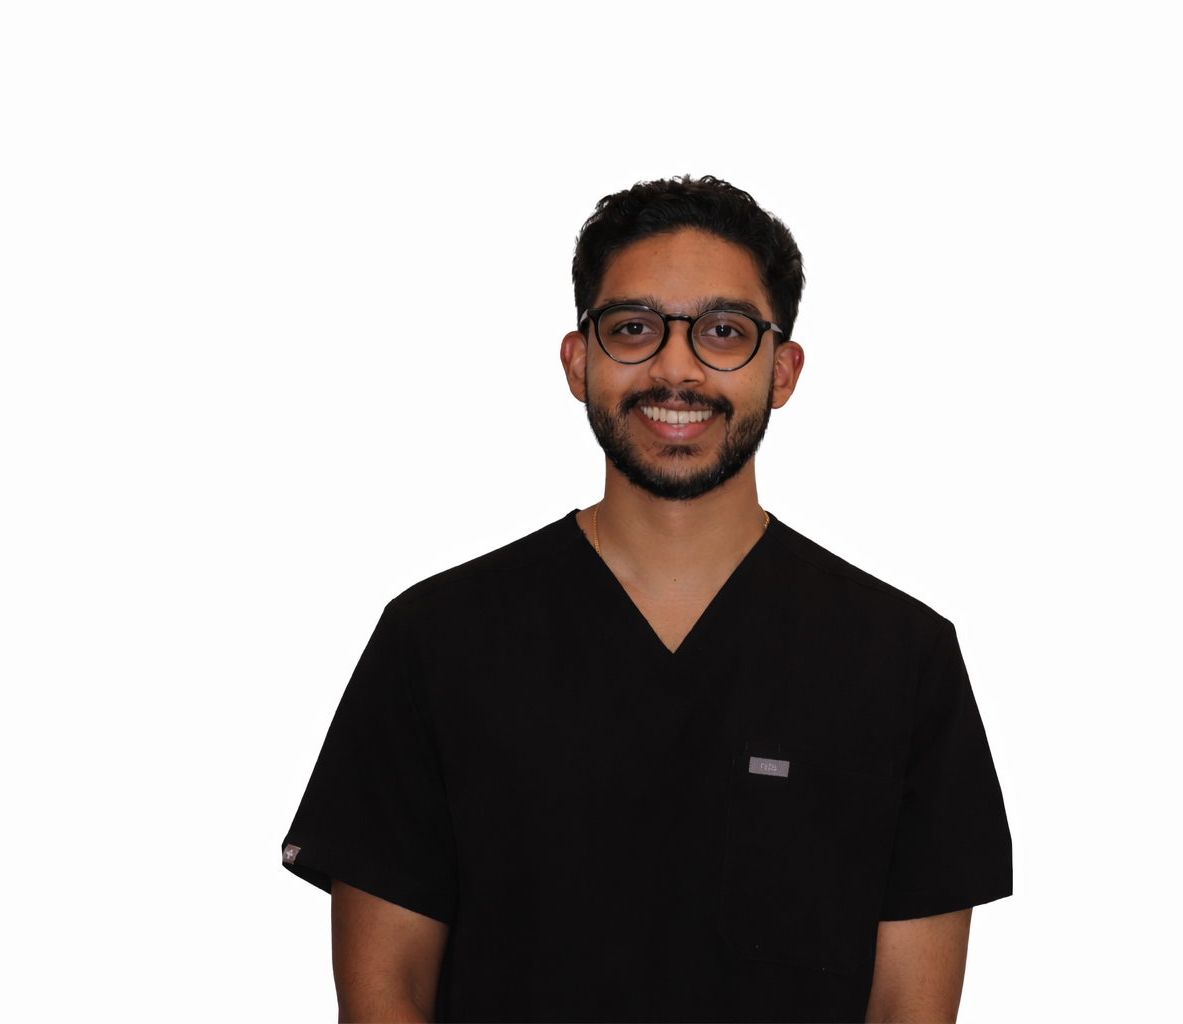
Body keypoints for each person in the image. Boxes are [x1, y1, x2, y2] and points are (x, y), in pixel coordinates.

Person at [281, 176, 1012, 1023]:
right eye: (634, 328)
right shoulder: (437, 642)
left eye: (723, 332)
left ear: (783, 371)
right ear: (578, 361)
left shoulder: (901, 660)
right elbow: (385, 994)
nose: (675, 368)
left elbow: (909, 1011)